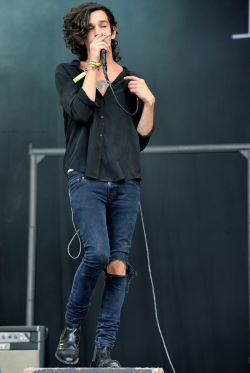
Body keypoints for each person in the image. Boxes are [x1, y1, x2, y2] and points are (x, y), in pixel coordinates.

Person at [54, 2, 155, 367]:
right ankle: (71, 329)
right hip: (85, 177)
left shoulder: (130, 79)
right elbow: (80, 112)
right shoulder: (69, 72)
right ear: (82, 37)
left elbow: (140, 138)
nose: (99, 31)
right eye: (92, 27)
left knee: (117, 265)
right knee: (96, 253)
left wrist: (150, 103)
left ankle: (103, 351)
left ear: (113, 32)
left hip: (125, 181)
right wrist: (95, 67)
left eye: (104, 25)